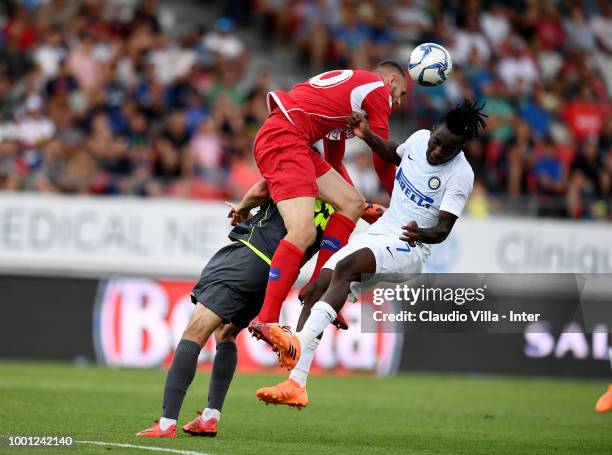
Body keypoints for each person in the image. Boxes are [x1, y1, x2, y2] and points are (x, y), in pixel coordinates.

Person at [257, 100, 487, 406]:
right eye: (437, 143)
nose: (437, 151)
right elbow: (395, 153)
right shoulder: (418, 140)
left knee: (348, 267)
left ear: (462, 147)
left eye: (448, 149)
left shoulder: (460, 175)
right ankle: (296, 384)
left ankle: (296, 342)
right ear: (431, 131)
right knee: (314, 289)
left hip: (411, 247)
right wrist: (367, 136)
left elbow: (443, 229)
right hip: (381, 234)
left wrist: (421, 233)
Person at [135, 177, 386, 437]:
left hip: (249, 256)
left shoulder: (296, 169)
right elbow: (363, 218)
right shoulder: (343, 200)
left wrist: (242, 208)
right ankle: (210, 416)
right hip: (276, 276)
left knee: (194, 332)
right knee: (226, 333)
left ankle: (166, 423)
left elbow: (260, 189)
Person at [248, 62, 407, 360]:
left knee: (351, 202)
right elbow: (383, 156)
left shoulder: (347, 99)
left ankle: (319, 286)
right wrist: (401, 205)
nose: (396, 101)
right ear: (392, 80)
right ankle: (267, 319)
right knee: (303, 231)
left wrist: (364, 209)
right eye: (399, 93)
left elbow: (335, 164)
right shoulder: (376, 89)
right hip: (286, 137)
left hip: (293, 138)